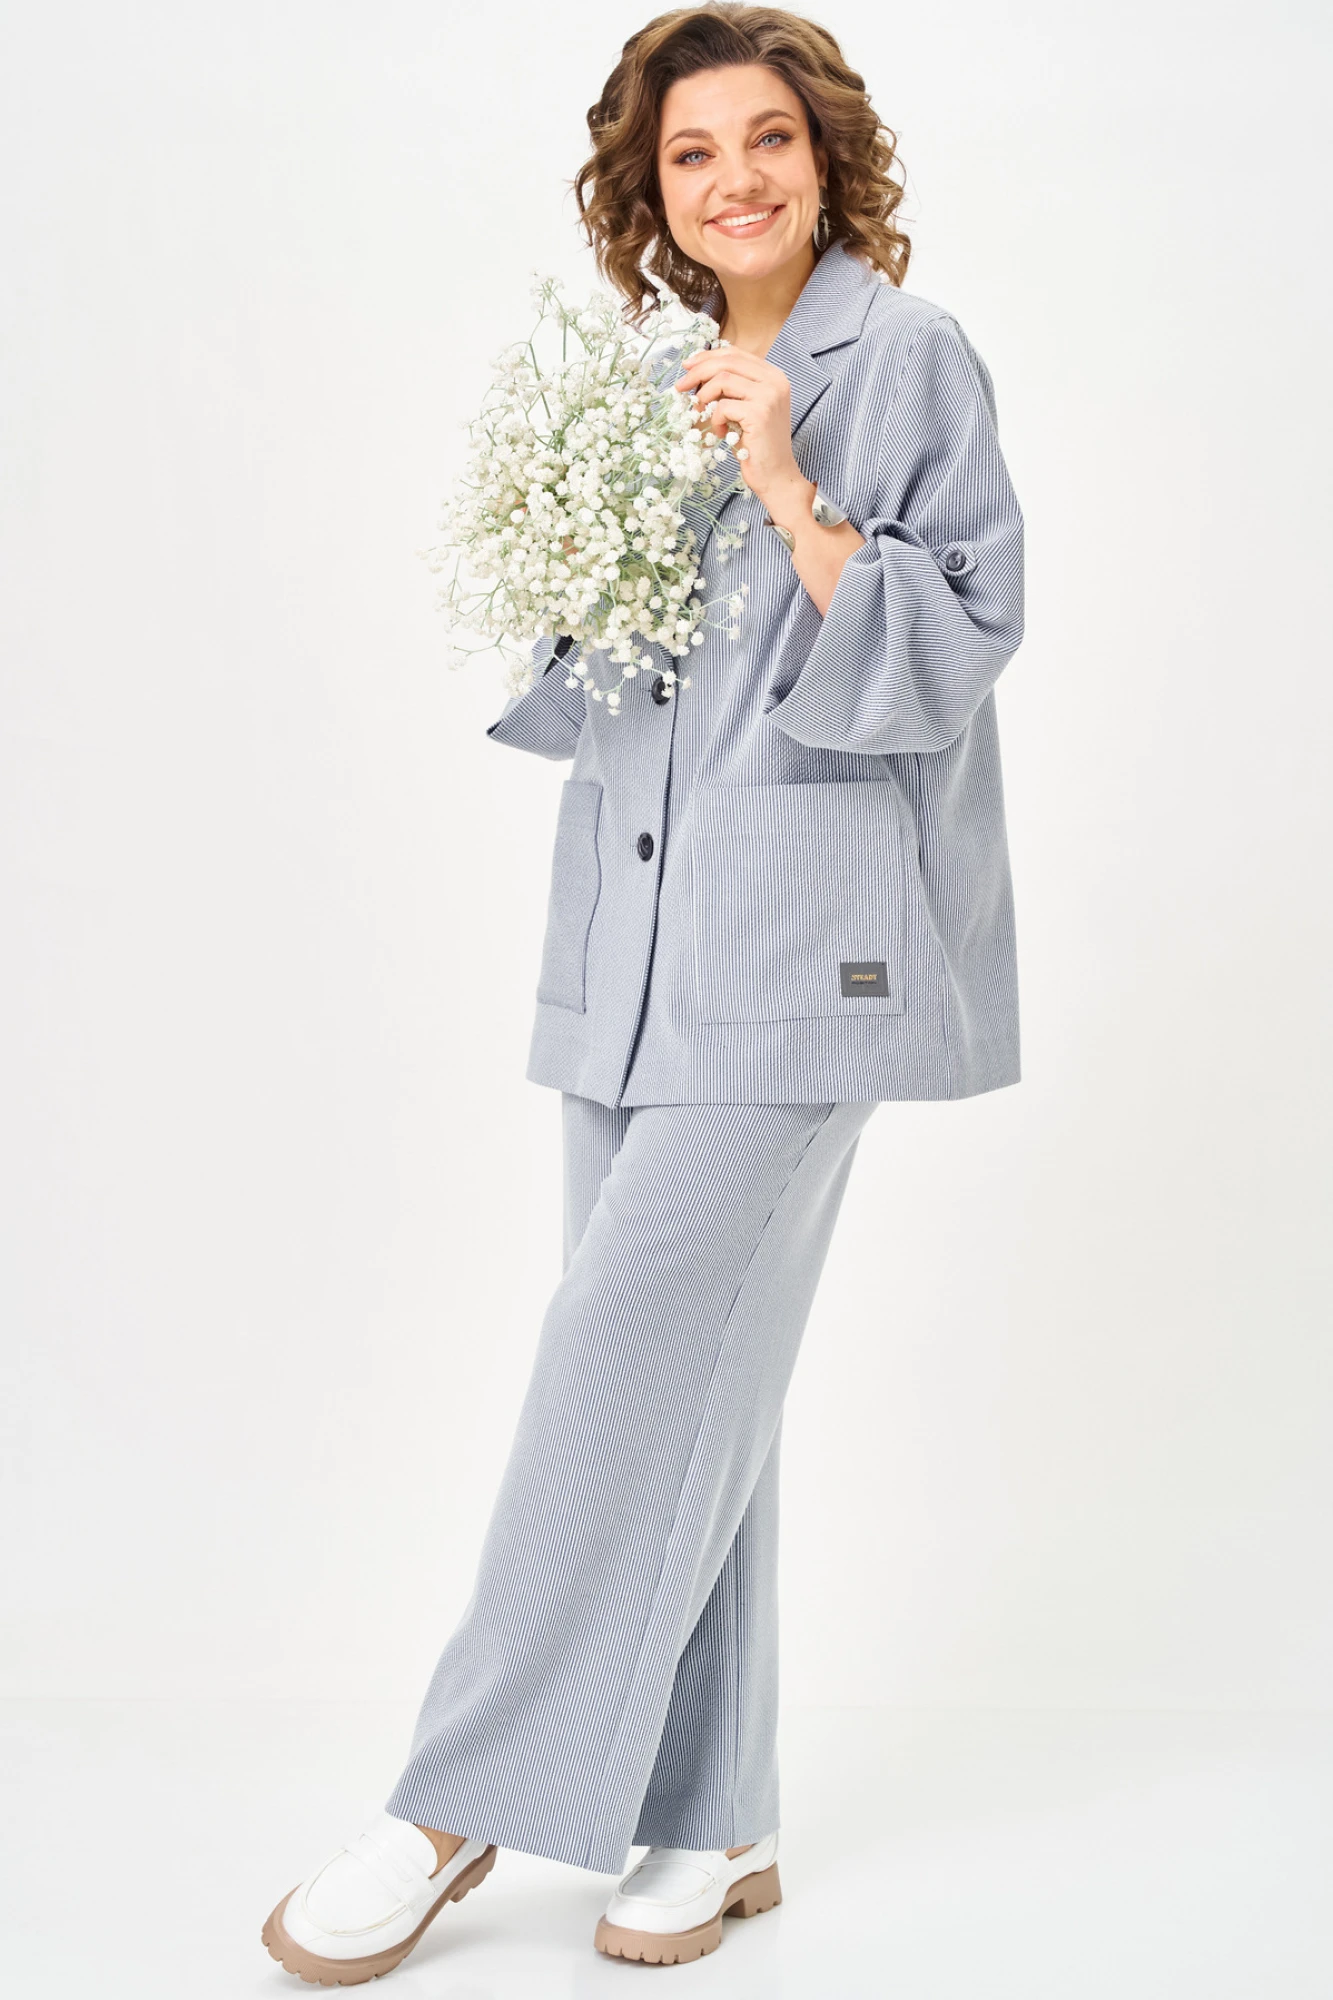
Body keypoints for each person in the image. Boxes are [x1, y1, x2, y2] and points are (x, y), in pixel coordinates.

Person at [262, 0, 1025, 1979]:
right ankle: (714, 1810)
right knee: (703, 1379)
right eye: (693, 152)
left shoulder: (904, 359)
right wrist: (570, 540)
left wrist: (786, 484)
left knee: (620, 1353)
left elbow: (961, 644)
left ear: (827, 159)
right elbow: (609, 676)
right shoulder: (648, 372)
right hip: (632, 940)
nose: (734, 178)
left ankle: (449, 1805)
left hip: (811, 947)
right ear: (649, 188)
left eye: (768, 138)